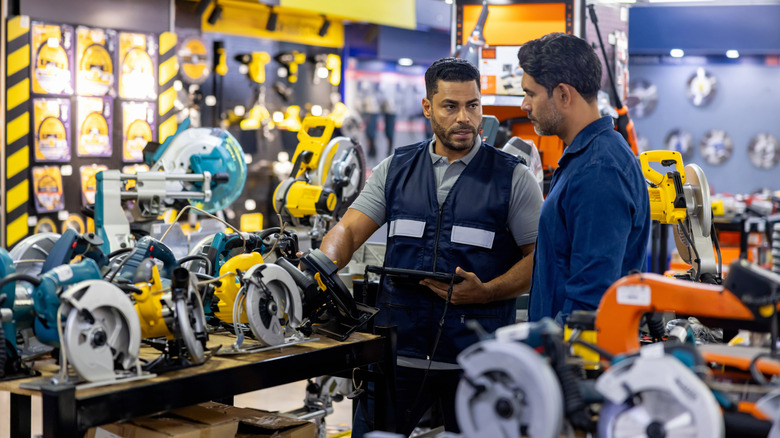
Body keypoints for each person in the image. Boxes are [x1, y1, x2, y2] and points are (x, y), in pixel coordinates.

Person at [318, 57, 543, 436]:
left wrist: (487, 292)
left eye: (472, 105)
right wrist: (319, 265)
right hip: (397, 357)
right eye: (450, 106)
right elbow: (350, 230)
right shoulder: (396, 169)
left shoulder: (513, 179)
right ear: (428, 107)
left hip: (476, 360)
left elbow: (540, 259)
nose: (464, 118)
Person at [517, 33, 651, 325]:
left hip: (577, 360)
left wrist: (548, 352)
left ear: (564, 94)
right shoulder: (585, 157)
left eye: (531, 93)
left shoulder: (599, 171)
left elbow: (589, 301)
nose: (524, 105)